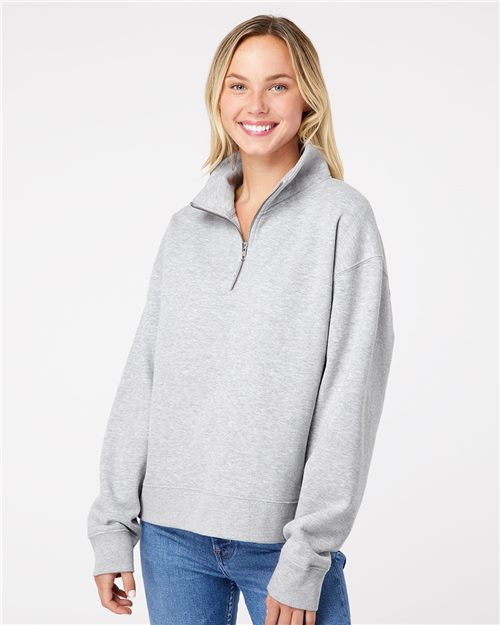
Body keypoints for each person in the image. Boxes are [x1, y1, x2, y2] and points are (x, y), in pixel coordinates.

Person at [87, 14, 395, 625]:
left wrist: (307, 553)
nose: (256, 104)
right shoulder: (186, 228)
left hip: (283, 544)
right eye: (238, 85)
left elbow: (350, 394)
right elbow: (145, 376)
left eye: (277, 85)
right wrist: (112, 526)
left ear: (307, 96)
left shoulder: (343, 219)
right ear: (217, 97)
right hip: (170, 538)